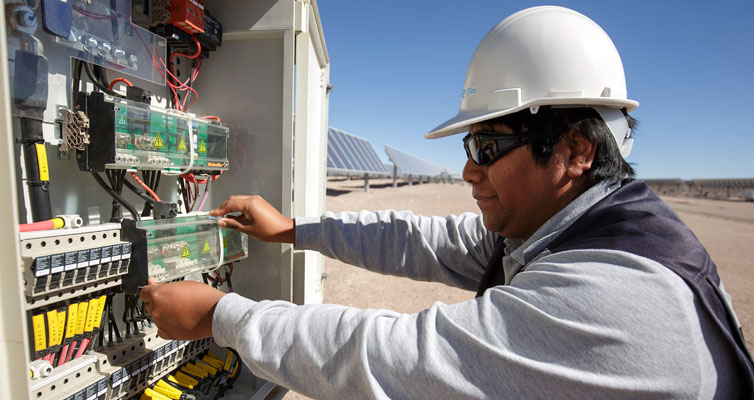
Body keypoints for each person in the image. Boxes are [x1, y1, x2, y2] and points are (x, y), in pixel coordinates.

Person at [141, 6, 754, 399]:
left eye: (488, 145)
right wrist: (294, 230)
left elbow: (404, 359)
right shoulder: (579, 225)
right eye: (470, 144)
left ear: (573, 152)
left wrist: (222, 315)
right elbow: (419, 240)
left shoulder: (612, 297)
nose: (468, 169)